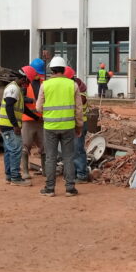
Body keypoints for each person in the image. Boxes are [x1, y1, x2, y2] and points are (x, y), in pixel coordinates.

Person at [37, 56, 83, 197]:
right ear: (64, 69)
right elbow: (79, 109)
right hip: (68, 126)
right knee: (68, 157)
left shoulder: (45, 85)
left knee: (50, 158)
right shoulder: (73, 85)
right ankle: (70, 188)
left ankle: (50, 188)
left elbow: (38, 107)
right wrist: (79, 126)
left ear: (51, 70)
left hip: (50, 127)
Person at [0, 70, 31, 186]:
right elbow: (9, 107)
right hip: (9, 126)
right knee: (16, 150)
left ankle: (9, 176)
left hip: (6, 125)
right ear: (22, 79)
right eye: (25, 81)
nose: (25, 84)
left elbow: (22, 109)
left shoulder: (14, 88)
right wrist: (15, 125)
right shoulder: (14, 89)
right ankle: (15, 178)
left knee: (9, 150)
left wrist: (35, 117)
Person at [65, 66, 91, 183]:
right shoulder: (76, 87)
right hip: (72, 123)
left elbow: (78, 105)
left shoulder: (80, 91)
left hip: (79, 124)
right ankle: (74, 172)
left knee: (77, 149)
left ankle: (81, 174)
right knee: (72, 149)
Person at [20, 64, 44, 179]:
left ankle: (45, 170)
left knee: (44, 147)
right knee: (25, 147)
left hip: (41, 120)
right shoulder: (25, 84)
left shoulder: (44, 83)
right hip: (28, 120)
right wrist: (31, 100)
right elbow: (20, 99)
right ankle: (25, 171)